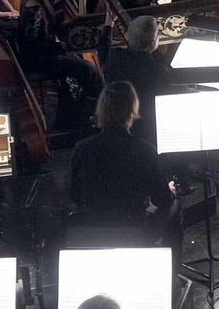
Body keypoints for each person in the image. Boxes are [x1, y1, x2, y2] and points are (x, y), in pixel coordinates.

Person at [68, 82, 174, 239]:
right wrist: (169, 191)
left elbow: (75, 196)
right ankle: (170, 260)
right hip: (133, 226)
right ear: (132, 110)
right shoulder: (145, 149)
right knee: (175, 209)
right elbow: (162, 200)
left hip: (95, 227)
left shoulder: (81, 147)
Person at [20, 0, 103, 132]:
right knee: (88, 69)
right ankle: (89, 114)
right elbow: (31, 44)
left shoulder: (42, 1)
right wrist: (58, 45)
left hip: (48, 55)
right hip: (41, 61)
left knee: (82, 66)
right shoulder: (34, 8)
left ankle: (75, 116)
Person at [105, 16, 174, 149]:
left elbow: (103, 46)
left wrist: (109, 22)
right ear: (153, 43)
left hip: (118, 125)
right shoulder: (159, 71)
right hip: (149, 132)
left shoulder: (114, 58)